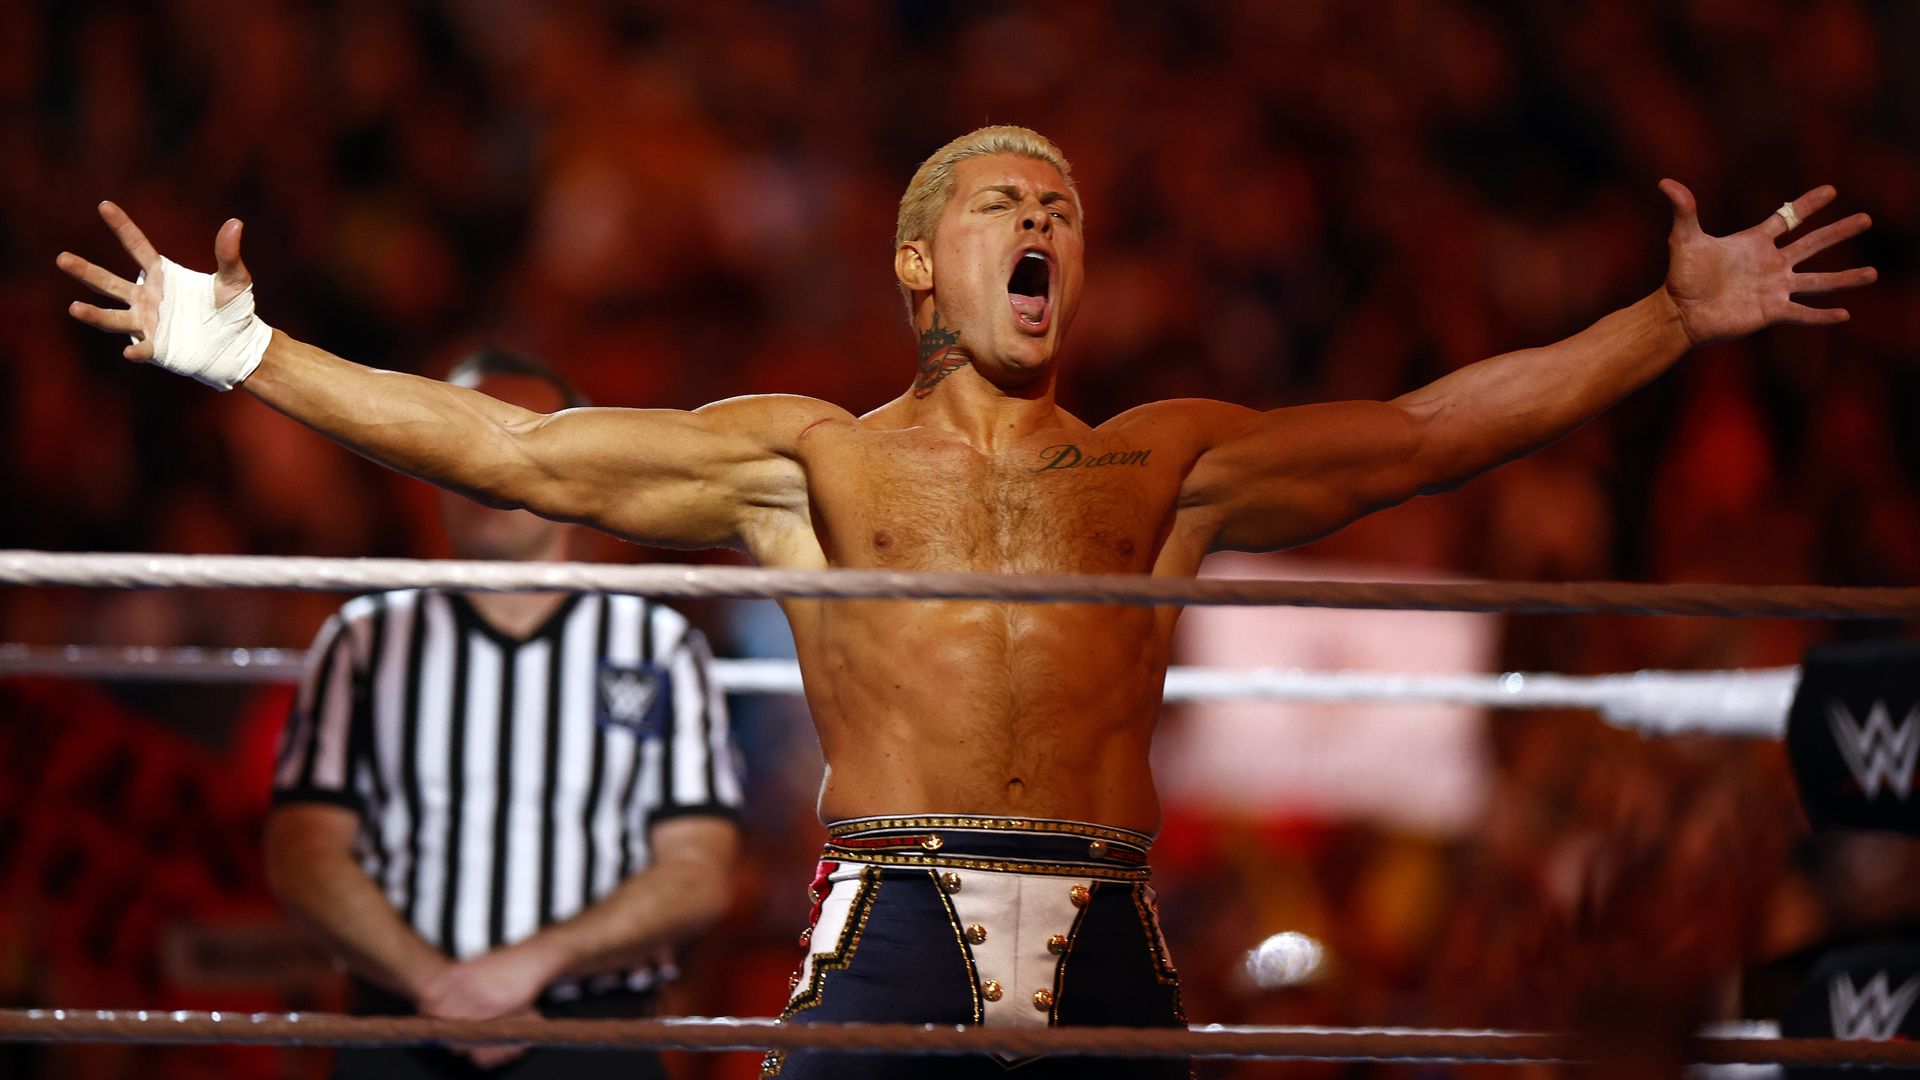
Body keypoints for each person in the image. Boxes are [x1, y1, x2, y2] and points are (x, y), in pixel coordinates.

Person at [58, 125, 1874, 1078]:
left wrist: (1668, 321)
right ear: (922, 263)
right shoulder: (807, 462)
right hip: (892, 923)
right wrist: (251, 354)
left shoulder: (1164, 462)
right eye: (1010, 200)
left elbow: (1427, 433)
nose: (1047, 225)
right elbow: (514, 451)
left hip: (1111, 929)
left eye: (1067, 208)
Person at [263, 348, 744, 1080]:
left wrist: (533, 963)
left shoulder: (656, 644)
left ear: (583, 465)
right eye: (459, 438)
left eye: (519, 436)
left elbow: (700, 867)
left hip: (594, 1030)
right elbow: (302, 850)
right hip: (401, 1021)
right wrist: (433, 982)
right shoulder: (365, 639)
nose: (486, 467)